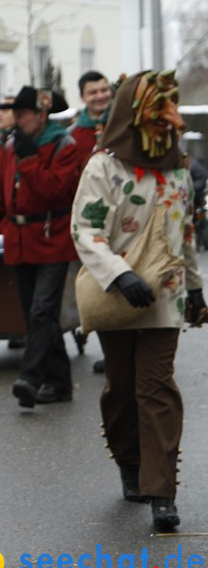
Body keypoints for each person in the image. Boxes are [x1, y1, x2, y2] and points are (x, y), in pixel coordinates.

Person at [70, 70, 204, 533]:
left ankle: (161, 492)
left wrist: (195, 286)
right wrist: (120, 274)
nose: (168, 121)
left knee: (156, 388)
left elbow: (184, 231)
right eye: (156, 110)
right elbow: (86, 231)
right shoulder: (103, 167)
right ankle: (130, 461)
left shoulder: (179, 166)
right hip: (118, 296)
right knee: (123, 389)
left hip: (163, 296)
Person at [0, 86, 80, 408]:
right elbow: (2, 193)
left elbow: (54, 191)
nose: (18, 119)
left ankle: (30, 377)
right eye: (18, 113)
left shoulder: (63, 145)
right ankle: (60, 382)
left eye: (24, 114)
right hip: (21, 240)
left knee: (42, 311)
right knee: (36, 315)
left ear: (42, 115)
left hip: (52, 237)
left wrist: (28, 160)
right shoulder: (15, 144)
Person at [70, 70, 113, 166]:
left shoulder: (123, 124)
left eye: (104, 90)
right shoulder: (73, 136)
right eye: (93, 93)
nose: (100, 96)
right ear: (82, 97)